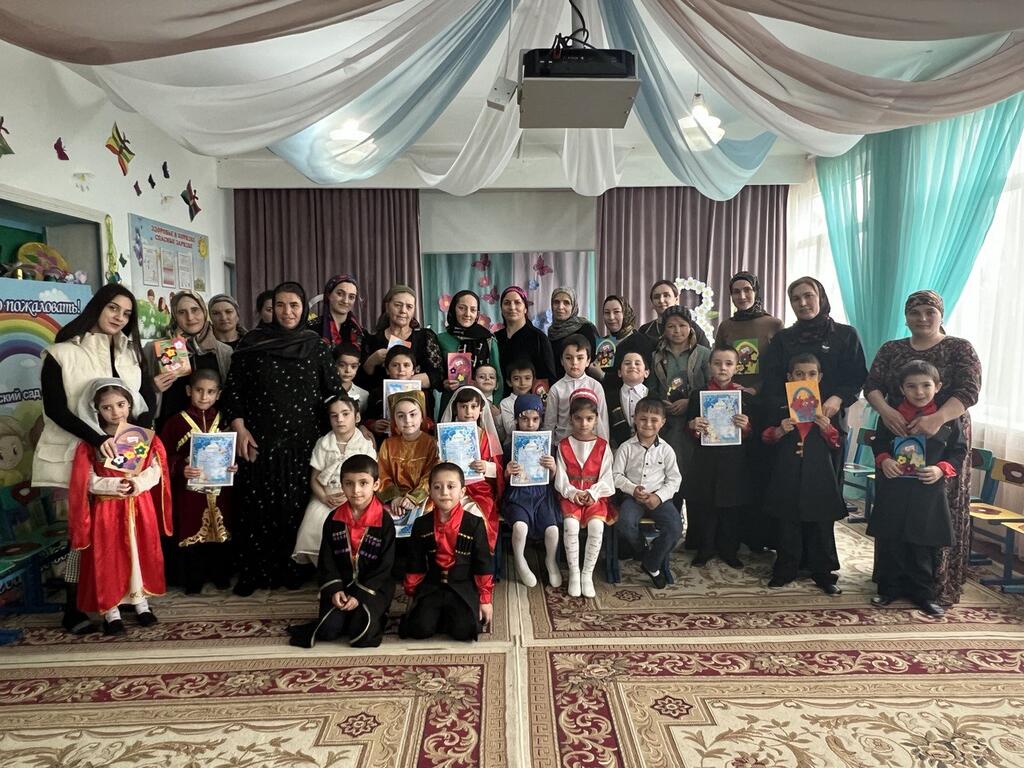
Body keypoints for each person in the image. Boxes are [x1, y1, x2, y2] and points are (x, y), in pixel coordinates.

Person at [34, 283, 156, 635]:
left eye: (127, 313)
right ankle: (74, 608)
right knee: (83, 534)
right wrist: (98, 439)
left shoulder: (131, 353)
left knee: (123, 531)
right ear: (97, 306)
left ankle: (123, 596)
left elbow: (144, 399)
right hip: (78, 454)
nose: (119, 317)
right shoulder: (61, 353)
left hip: (125, 456)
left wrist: (139, 438)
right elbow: (56, 409)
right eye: (113, 308)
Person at [220, 281, 344, 595]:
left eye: (294, 305)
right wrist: (239, 427)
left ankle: (291, 569)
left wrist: (354, 423)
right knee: (256, 508)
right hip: (259, 441)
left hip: (303, 443)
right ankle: (254, 572)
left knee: (294, 508)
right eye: (280, 305)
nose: (287, 312)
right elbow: (234, 392)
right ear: (271, 308)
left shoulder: (315, 345)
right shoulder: (251, 343)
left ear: (304, 309)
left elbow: (333, 392)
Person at [863, 290, 981, 606]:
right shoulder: (891, 349)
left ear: (941, 314)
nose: (922, 318)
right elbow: (872, 386)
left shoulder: (959, 348)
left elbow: (970, 390)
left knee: (930, 520)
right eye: (915, 312)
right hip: (896, 427)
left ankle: (932, 587)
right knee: (894, 519)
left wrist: (938, 419)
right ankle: (890, 584)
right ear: (906, 317)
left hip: (943, 437)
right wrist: (887, 413)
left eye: (930, 312)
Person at [68, 379, 171, 635]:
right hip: (108, 511)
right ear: (96, 410)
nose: (116, 412)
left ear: (130, 404)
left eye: (121, 404)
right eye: (107, 407)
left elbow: (156, 469)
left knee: (139, 555)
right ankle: (111, 612)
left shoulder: (140, 436)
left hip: (139, 507)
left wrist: (137, 483)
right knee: (109, 558)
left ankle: (141, 603)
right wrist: (114, 485)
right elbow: (86, 480)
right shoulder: (92, 442)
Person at [869, 360, 966, 616]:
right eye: (911, 386)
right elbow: (879, 443)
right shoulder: (891, 416)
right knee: (892, 540)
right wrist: (884, 460)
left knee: (923, 544)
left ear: (938, 386)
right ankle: (888, 589)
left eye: (926, 385)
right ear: (902, 388)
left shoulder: (948, 419)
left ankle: (923, 594)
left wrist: (940, 469)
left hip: (927, 491)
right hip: (895, 489)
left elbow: (959, 452)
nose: (919, 392)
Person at [760, 277, 867, 476]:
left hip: (829, 422)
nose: (802, 303)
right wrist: (785, 412)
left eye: (808, 296)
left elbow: (857, 376)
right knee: (787, 481)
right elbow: (771, 381)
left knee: (826, 481)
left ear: (821, 297)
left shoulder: (845, 335)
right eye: (795, 299)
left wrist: (838, 398)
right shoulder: (783, 339)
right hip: (789, 425)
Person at [287, 454, 396, 648]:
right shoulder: (333, 519)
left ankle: (371, 614)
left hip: (372, 587)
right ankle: (345, 613)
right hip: (342, 586)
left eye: (363, 483)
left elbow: (385, 566)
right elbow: (327, 561)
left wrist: (359, 595)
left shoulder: (385, 521)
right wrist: (335, 590)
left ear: (376, 485)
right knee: (328, 630)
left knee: (361, 635)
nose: (356, 490)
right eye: (349, 484)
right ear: (342, 485)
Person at [761, 353, 845, 593]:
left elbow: (838, 443)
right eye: (799, 374)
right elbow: (765, 438)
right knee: (788, 523)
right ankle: (785, 569)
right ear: (790, 377)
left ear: (819, 377)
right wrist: (779, 430)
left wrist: (827, 429)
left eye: (811, 374)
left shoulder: (828, 407)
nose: (805, 378)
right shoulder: (779, 404)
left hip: (818, 473)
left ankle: (824, 573)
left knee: (821, 524)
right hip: (787, 471)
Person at [158, 368, 235, 594]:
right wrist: (180, 467)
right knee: (191, 529)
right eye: (199, 390)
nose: (204, 397)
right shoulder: (175, 422)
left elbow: (233, 453)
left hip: (220, 491)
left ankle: (220, 574)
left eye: (210, 392)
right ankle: (193, 579)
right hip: (188, 492)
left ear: (218, 394)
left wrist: (234, 466)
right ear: (188, 391)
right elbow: (162, 455)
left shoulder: (225, 420)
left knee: (221, 530)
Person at [399, 463, 493, 641]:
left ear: (462, 492)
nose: (444, 492)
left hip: (462, 585)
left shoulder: (474, 524)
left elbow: (483, 564)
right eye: (437, 487)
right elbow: (415, 562)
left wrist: (485, 600)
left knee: (465, 631)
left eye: (451, 486)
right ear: (430, 492)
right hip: (432, 585)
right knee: (419, 629)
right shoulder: (421, 524)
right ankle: (436, 615)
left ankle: (448, 616)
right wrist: (412, 593)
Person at [684, 344, 753, 568]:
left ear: (736, 367)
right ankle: (705, 549)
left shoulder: (744, 396)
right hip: (706, 459)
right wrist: (693, 425)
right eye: (717, 363)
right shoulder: (698, 395)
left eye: (728, 363)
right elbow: (689, 427)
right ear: (709, 366)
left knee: (731, 507)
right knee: (706, 505)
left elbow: (754, 432)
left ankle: (729, 550)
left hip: (734, 460)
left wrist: (746, 425)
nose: (722, 368)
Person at [292, 396, 377, 566]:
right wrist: (324, 497)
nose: (340, 419)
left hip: (356, 497)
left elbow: (370, 480)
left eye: (345, 414)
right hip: (326, 496)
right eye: (334, 415)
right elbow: (314, 479)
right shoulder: (324, 443)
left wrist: (351, 497)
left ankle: (351, 570)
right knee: (315, 523)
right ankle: (326, 572)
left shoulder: (364, 444)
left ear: (357, 417)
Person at [613, 397, 683, 588]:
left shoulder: (666, 450)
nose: (648, 424)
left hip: (659, 499)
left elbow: (675, 480)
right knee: (625, 523)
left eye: (654, 420)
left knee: (675, 528)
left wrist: (659, 497)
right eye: (643, 419)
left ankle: (651, 563)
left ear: (663, 422)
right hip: (633, 498)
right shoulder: (626, 448)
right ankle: (642, 551)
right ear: (635, 419)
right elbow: (616, 475)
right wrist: (632, 489)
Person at [144, 290, 233, 432]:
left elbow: (231, 395)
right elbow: (138, 392)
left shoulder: (224, 352)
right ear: (174, 315)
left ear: (204, 311)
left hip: (214, 431)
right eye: (182, 312)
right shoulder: (155, 349)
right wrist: (152, 387)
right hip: (170, 431)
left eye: (195, 310)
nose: (190, 317)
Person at [555, 390, 614, 598]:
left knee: (597, 526)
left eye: (589, 418)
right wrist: (572, 492)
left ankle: (587, 574)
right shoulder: (563, 446)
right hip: (571, 496)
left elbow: (607, 477)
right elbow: (560, 477)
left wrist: (593, 492)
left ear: (596, 419)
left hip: (595, 497)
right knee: (570, 526)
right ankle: (574, 573)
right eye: (578, 418)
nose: (583, 423)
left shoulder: (603, 446)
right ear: (571, 419)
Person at [650, 306, 710, 507]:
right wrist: (661, 403)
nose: (677, 331)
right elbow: (651, 388)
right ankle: (672, 519)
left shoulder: (703, 354)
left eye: (682, 325)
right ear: (664, 329)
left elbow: (710, 386)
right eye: (671, 326)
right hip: (668, 425)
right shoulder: (657, 356)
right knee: (670, 473)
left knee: (693, 476)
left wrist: (689, 401)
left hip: (695, 422)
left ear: (690, 326)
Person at [503, 394, 561, 588]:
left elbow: (551, 479)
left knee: (552, 529)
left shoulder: (548, 445)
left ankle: (551, 561)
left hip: (542, 494)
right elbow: (504, 480)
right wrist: (507, 472)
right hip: (518, 496)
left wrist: (553, 468)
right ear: (516, 420)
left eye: (535, 419)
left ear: (541, 420)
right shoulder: (510, 446)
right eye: (524, 419)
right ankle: (520, 560)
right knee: (520, 527)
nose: (530, 424)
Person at [439, 385, 504, 552]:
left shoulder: (487, 437)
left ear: (481, 410)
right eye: (463, 406)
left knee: (477, 515)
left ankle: (472, 556)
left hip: (480, 489)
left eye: (474, 406)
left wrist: (486, 466)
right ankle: (447, 555)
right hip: (449, 488)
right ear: (455, 409)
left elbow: (499, 469)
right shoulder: (445, 436)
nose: (469, 411)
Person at [360, 284, 444, 401]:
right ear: (387, 307)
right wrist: (372, 361)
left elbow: (439, 375)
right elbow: (360, 382)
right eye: (398, 305)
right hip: (381, 404)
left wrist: (406, 382)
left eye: (409, 306)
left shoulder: (425, 336)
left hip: (418, 404)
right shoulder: (373, 339)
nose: (403, 311)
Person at [377, 391, 439, 537]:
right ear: (394, 420)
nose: (407, 420)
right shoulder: (387, 445)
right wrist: (395, 497)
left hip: (423, 498)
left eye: (413, 414)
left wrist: (413, 498)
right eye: (401, 416)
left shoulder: (431, 444)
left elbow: (431, 475)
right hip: (394, 500)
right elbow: (382, 475)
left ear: (422, 416)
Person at [715, 271, 782, 394]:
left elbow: (780, 366)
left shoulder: (774, 324)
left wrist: (756, 389)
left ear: (755, 292)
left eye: (747, 290)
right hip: (731, 394)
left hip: (767, 395)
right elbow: (717, 363)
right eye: (736, 292)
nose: (742, 296)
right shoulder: (725, 326)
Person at [438, 290, 503, 415]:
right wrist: (443, 383)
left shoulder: (488, 340)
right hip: (451, 404)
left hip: (481, 406)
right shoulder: (441, 339)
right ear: (453, 309)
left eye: (473, 310)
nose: (467, 314)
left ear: (477, 314)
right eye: (462, 308)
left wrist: (495, 404)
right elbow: (436, 374)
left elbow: (498, 376)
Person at [544, 334, 610, 444]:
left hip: (590, 444)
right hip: (563, 444)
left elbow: (603, 419)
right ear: (562, 361)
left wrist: (605, 446)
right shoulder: (556, 389)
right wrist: (548, 448)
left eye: (580, 358)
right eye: (568, 358)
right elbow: (549, 423)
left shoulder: (595, 386)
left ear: (588, 361)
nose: (574, 362)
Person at [495, 286, 556, 384]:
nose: (512, 307)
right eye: (507, 303)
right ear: (501, 308)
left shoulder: (538, 339)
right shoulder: (495, 338)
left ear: (525, 309)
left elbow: (548, 379)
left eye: (517, 302)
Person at [364, 346, 425, 439]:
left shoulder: (421, 393)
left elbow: (428, 420)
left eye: (406, 365)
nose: (401, 370)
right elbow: (367, 418)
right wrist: (373, 425)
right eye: (395, 365)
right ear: (387, 370)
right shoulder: (377, 393)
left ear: (414, 370)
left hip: (415, 441)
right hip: (385, 440)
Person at [599, 294, 655, 395]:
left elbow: (641, 376)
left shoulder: (641, 341)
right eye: (607, 313)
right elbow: (604, 374)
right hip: (609, 399)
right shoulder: (605, 343)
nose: (611, 317)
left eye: (616, 312)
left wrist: (603, 375)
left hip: (637, 398)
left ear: (625, 313)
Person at [638, 280, 710, 348]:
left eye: (666, 295)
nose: (661, 300)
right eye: (656, 297)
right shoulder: (645, 330)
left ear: (676, 299)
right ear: (652, 303)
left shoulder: (692, 327)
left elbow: (707, 354)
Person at [547, 287, 600, 380]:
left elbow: (598, 361)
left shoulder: (586, 328)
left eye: (566, 303)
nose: (560, 307)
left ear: (573, 306)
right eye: (556, 302)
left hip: (585, 383)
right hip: (559, 384)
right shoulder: (552, 332)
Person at [308, 274, 364, 353]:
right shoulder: (311, 329)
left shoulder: (360, 332)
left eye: (351, 297)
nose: (345, 301)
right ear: (328, 294)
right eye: (340, 294)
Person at [609, 351, 650, 448]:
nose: (632, 366)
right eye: (627, 363)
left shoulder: (654, 397)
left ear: (646, 373)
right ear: (619, 373)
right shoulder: (610, 398)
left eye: (637, 363)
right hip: (618, 449)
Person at [499, 359, 536, 437]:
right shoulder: (506, 403)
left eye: (527, 378)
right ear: (509, 382)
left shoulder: (538, 400)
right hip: (513, 441)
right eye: (516, 379)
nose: (522, 383)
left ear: (533, 380)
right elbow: (509, 430)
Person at [333, 343, 370, 416]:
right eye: (342, 365)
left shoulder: (364, 395)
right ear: (334, 364)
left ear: (358, 366)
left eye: (353, 366)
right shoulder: (325, 391)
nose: (348, 370)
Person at [473, 363, 505, 444]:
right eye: (481, 377)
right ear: (474, 383)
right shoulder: (469, 404)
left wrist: (497, 417)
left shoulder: (501, 405)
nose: (487, 379)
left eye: (491, 377)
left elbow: (503, 437)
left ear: (497, 385)